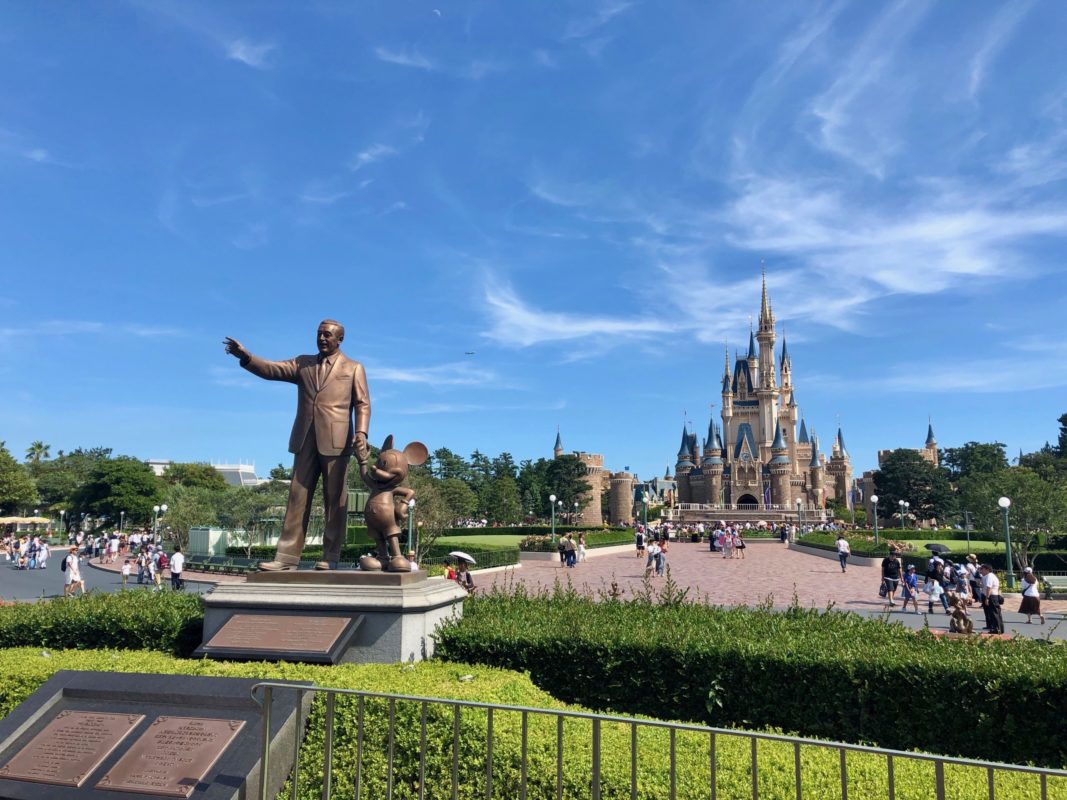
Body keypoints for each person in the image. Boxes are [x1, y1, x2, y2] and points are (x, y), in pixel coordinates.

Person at [225, 320, 371, 571]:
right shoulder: (303, 363)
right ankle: (286, 558)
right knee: (297, 497)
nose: (322, 338)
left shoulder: (354, 367)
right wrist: (247, 357)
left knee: (335, 500)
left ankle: (331, 556)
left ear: (340, 339)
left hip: (337, 440)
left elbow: (363, 403)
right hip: (305, 437)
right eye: (319, 334)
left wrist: (361, 432)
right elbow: (272, 369)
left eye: (327, 335)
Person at [979, 564, 1004, 634]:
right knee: (995, 613)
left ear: (987, 569)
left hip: (992, 596)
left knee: (994, 613)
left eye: (982, 569)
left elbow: (989, 588)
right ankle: (998, 628)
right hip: (993, 596)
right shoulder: (990, 576)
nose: (981, 571)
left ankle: (996, 629)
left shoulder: (989, 576)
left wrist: (987, 598)